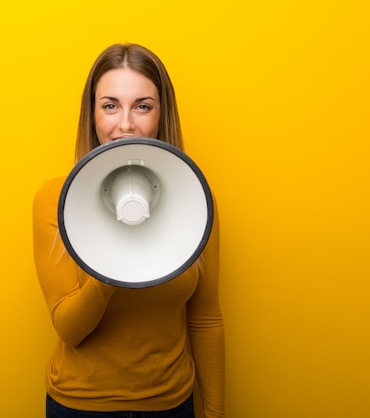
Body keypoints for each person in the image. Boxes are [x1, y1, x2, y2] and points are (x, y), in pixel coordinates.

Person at [32, 43, 225, 418]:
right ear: (91, 115)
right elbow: (70, 330)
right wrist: (112, 257)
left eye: (142, 105)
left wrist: (216, 413)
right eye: (110, 105)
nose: (125, 124)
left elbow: (206, 319)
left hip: (170, 406)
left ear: (160, 114)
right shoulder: (53, 199)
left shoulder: (197, 202)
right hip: (79, 407)